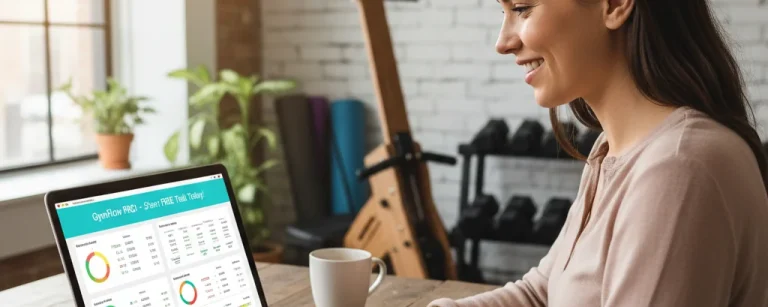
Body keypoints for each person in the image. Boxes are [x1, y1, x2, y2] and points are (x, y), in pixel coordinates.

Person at [429, 0, 768, 306]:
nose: (503, 42)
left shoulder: (678, 168)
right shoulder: (612, 149)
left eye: (522, 8)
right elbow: (543, 292)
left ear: (615, 5)